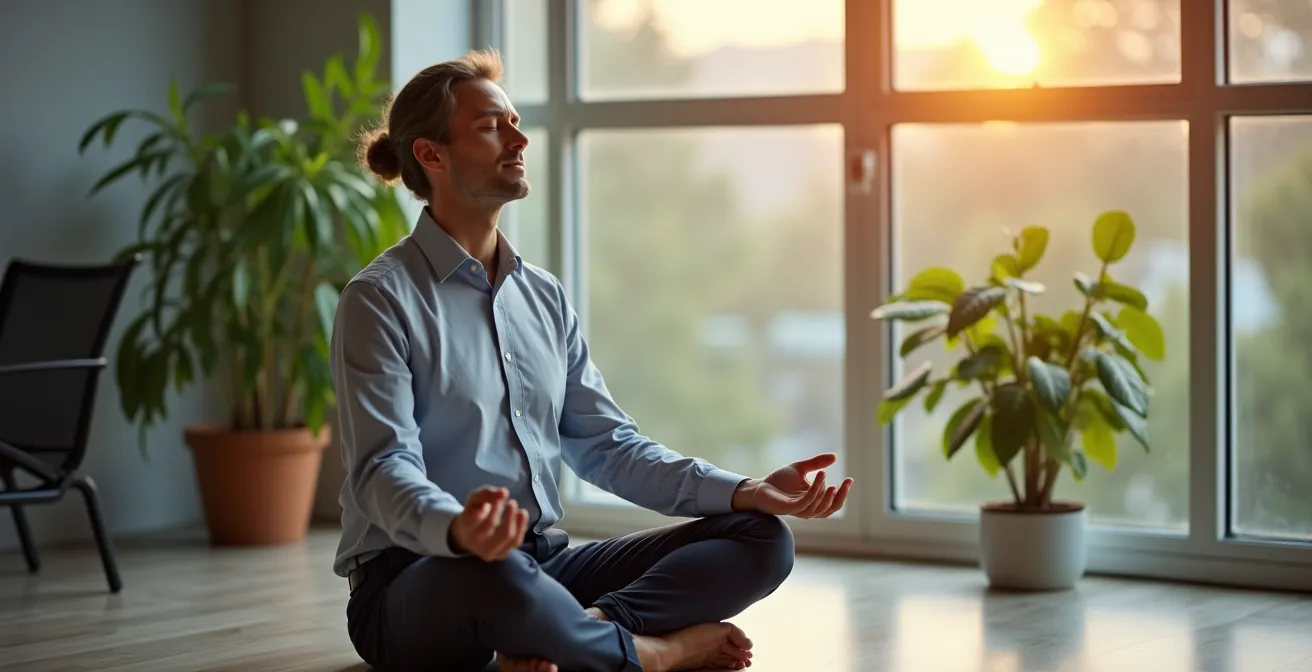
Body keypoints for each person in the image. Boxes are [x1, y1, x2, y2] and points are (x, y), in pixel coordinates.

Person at [330, 48, 854, 672]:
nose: (520, 137)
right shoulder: (379, 299)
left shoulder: (543, 296)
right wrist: (457, 530)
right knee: (491, 579)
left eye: (516, 120)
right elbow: (382, 470)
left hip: (541, 567)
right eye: (491, 125)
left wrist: (745, 490)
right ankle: (655, 654)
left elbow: (610, 447)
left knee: (762, 539)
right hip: (420, 579)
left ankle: (584, 632)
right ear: (431, 154)